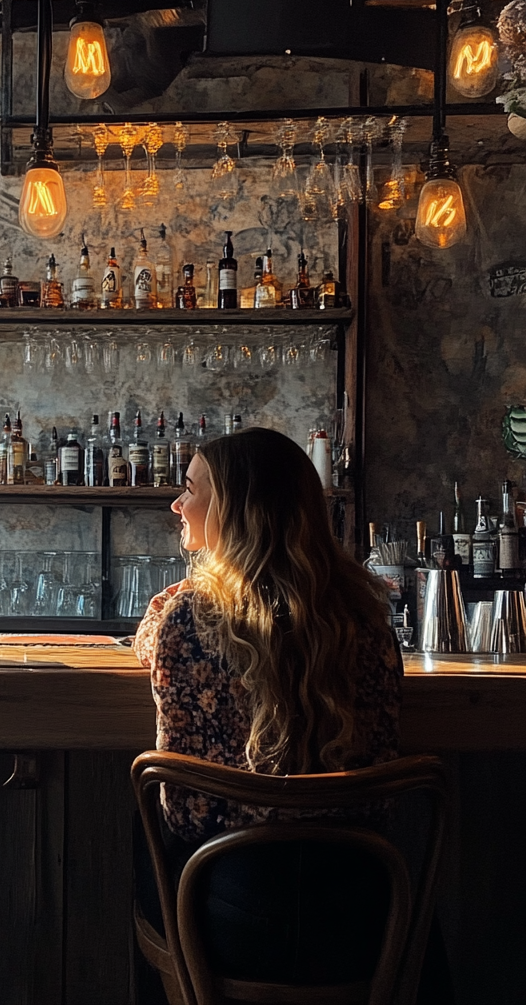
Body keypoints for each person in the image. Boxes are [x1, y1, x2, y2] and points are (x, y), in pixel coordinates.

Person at [134, 426, 423, 994]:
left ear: (236, 509)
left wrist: (165, 610)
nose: (176, 502)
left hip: (228, 919)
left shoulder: (189, 620)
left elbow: (183, 814)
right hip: (361, 916)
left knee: (146, 844)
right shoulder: (365, 618)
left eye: (191, 489)